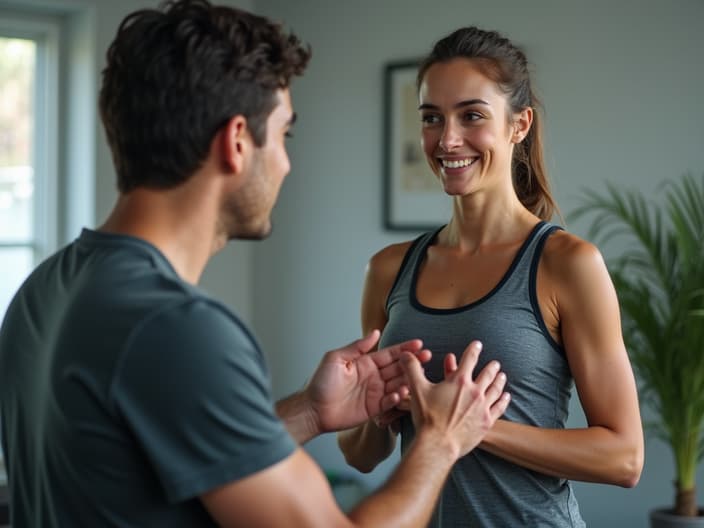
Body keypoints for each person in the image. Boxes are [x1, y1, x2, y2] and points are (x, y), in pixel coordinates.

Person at [0, 2, 513, 527]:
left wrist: (311, 413)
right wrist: (440, 440)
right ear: (237, 141)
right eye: (284, 135)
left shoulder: (46, 289)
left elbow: (161, 467)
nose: (287, 162)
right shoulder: (177, 328)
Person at [337, 26, 645, 527]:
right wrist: (380, 411)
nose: (448, 139)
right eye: (432, 118)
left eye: (472, 116)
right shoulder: (389, 269)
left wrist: (470, 426)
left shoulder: (566, 263)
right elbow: (361, 455)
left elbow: (624, 457)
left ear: (518, 125)